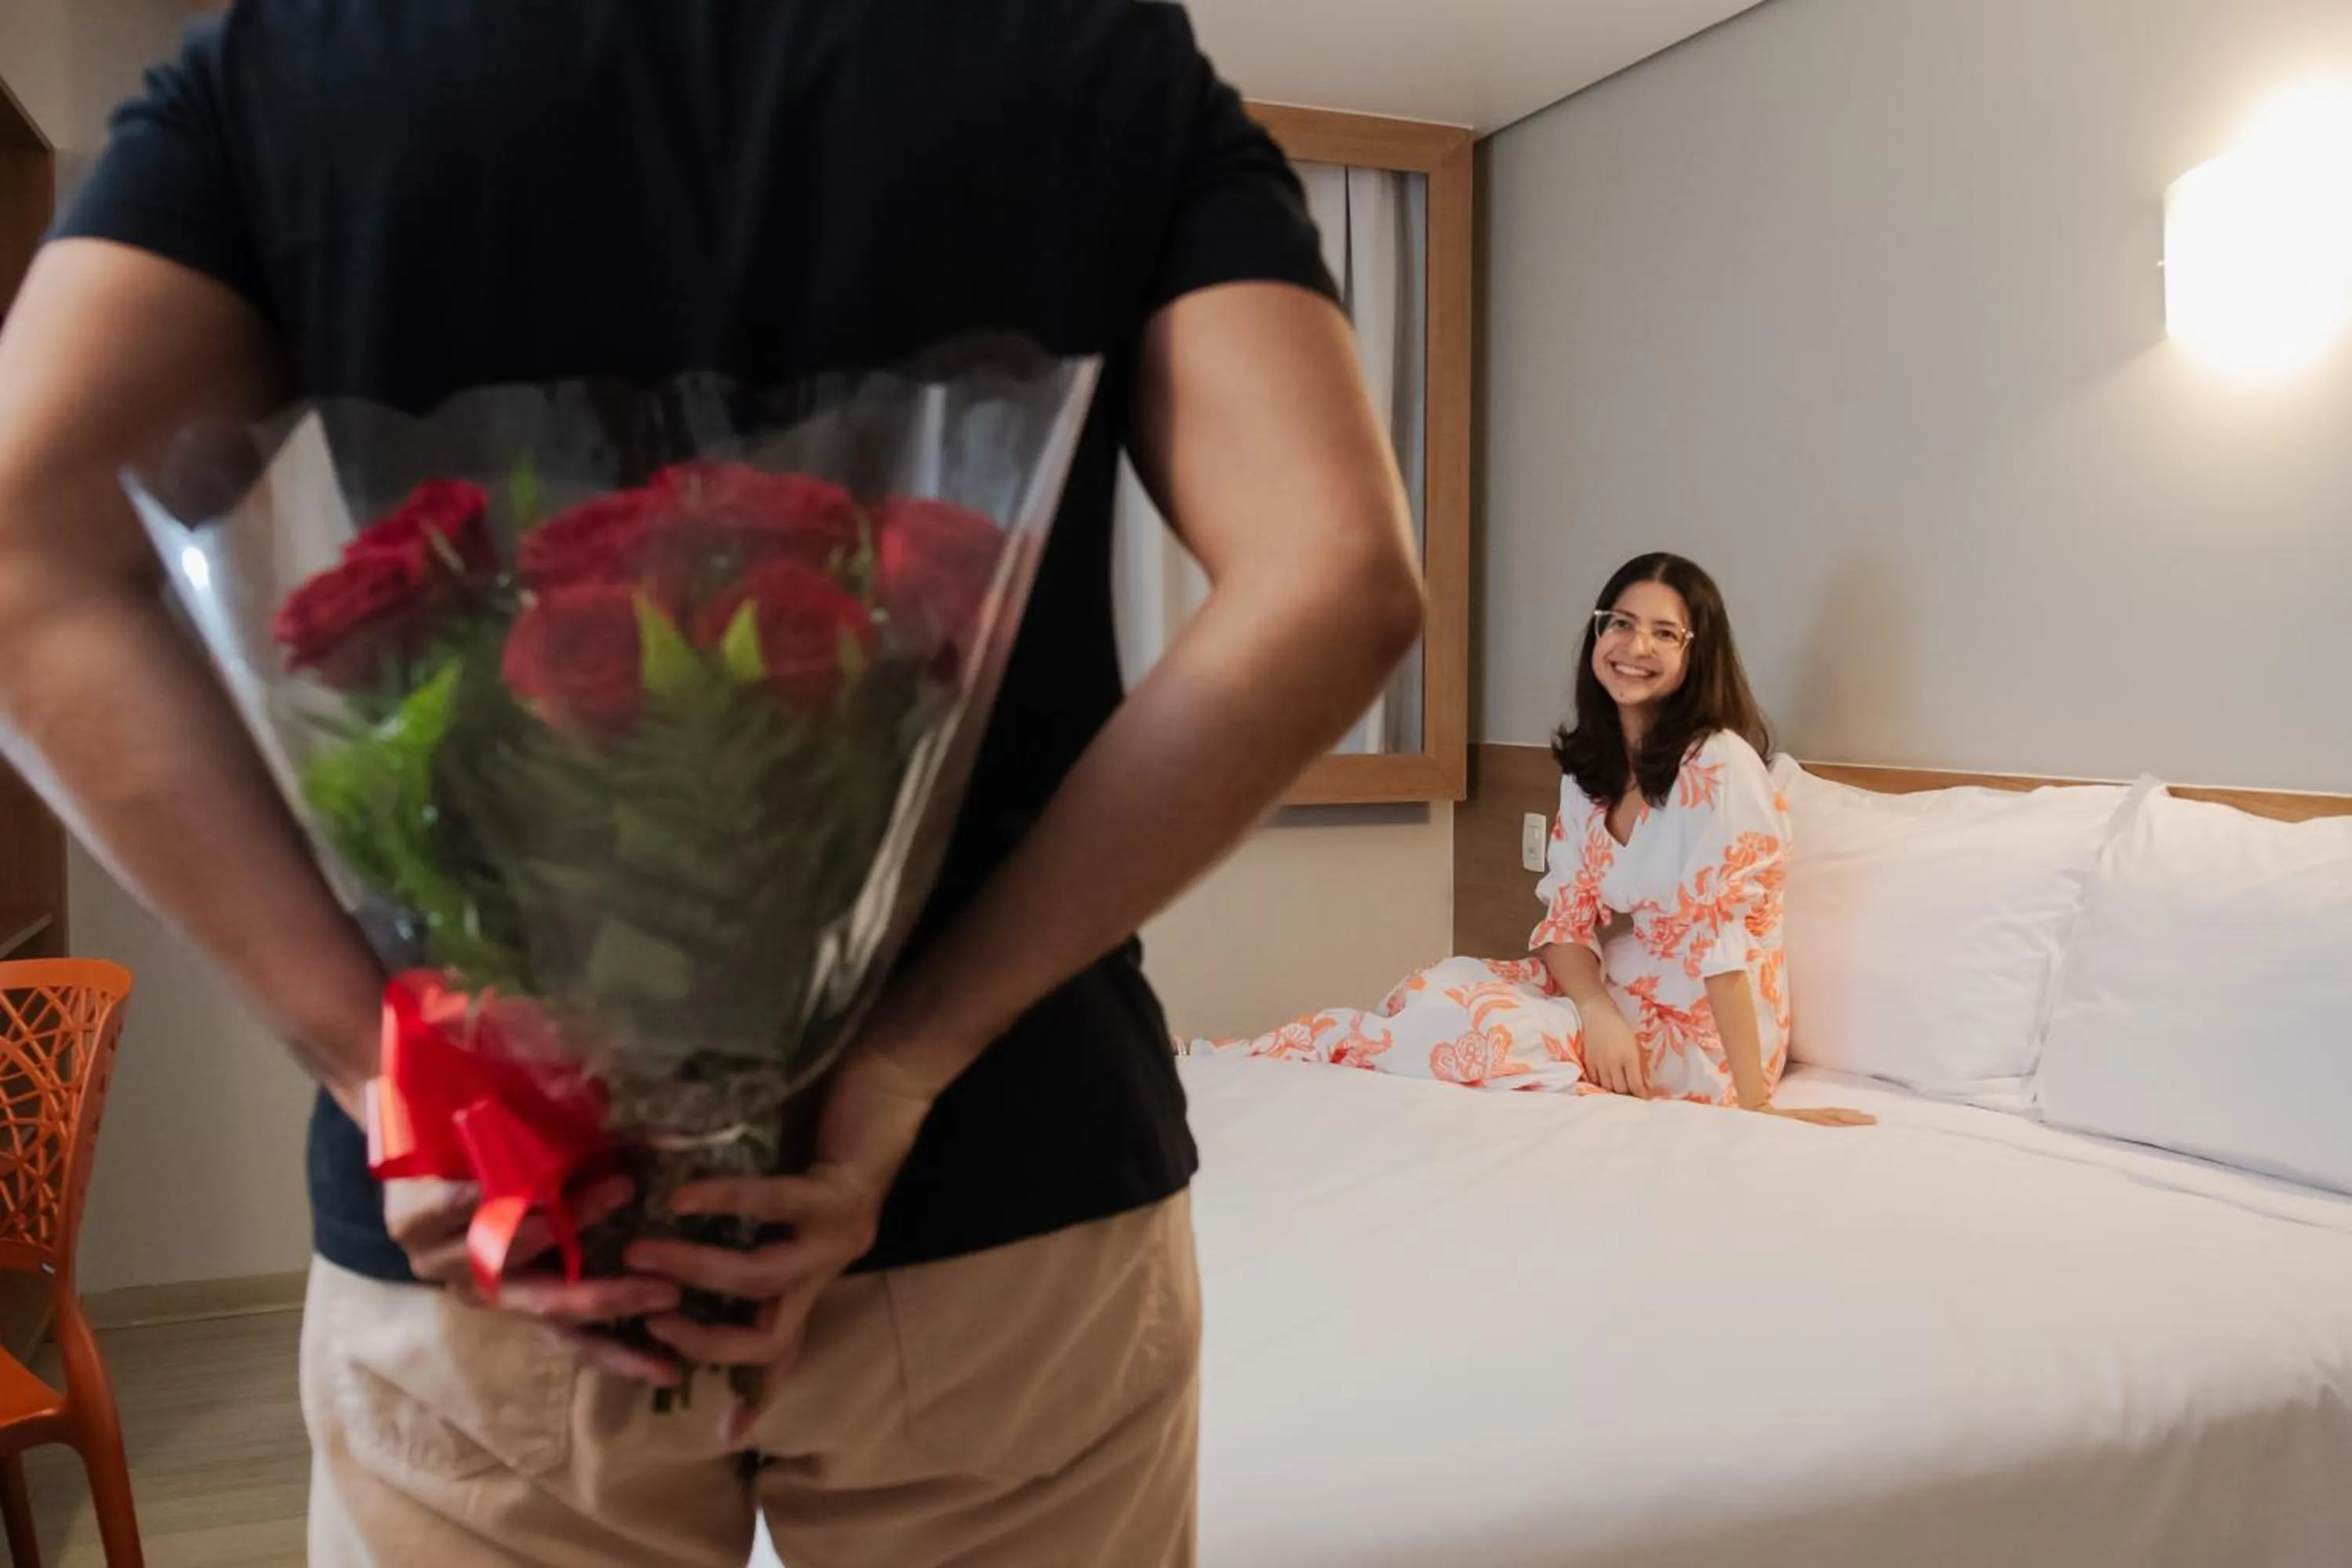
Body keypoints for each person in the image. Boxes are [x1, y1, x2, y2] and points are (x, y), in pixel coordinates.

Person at [0, 3, 1425, 1563]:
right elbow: (1340, 576)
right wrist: (902, 1059)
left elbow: (21, 563)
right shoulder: (1091, 54)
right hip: (1003, 1201)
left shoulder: (302, 55)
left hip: (507, 1234)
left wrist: (393, 1077)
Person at [1203, 553, 1873, 1127]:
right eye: (1621, 624)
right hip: (1621, 991)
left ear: (1697, 655)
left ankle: (1238, 1057)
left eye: (1664, 633)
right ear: (1596, 635)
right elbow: (1569, 920)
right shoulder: (1594, 770)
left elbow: (1725, 947)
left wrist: (1755, 1107)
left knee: (1483, 1027)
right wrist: (1595, 1009)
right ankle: (1261, 1052)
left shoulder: (1719, 766)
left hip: (1707, 1031)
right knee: (1441, 984)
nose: (1635, 647)